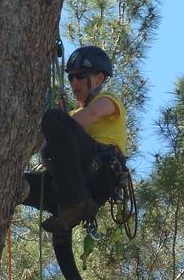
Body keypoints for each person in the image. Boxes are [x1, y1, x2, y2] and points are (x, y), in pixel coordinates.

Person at [23, 45, 128, 233]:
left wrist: (59, 124)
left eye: (80, 75)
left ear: (98, 79)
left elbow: (92, 113)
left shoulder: (108, 100)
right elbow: (44, 144)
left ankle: (76, 202)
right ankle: (68, 207)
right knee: (19, 186)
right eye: (70, 77)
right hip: (70, 182)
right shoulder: (72, 115)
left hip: (99, 171)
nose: (74, 82)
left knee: (53, 118)